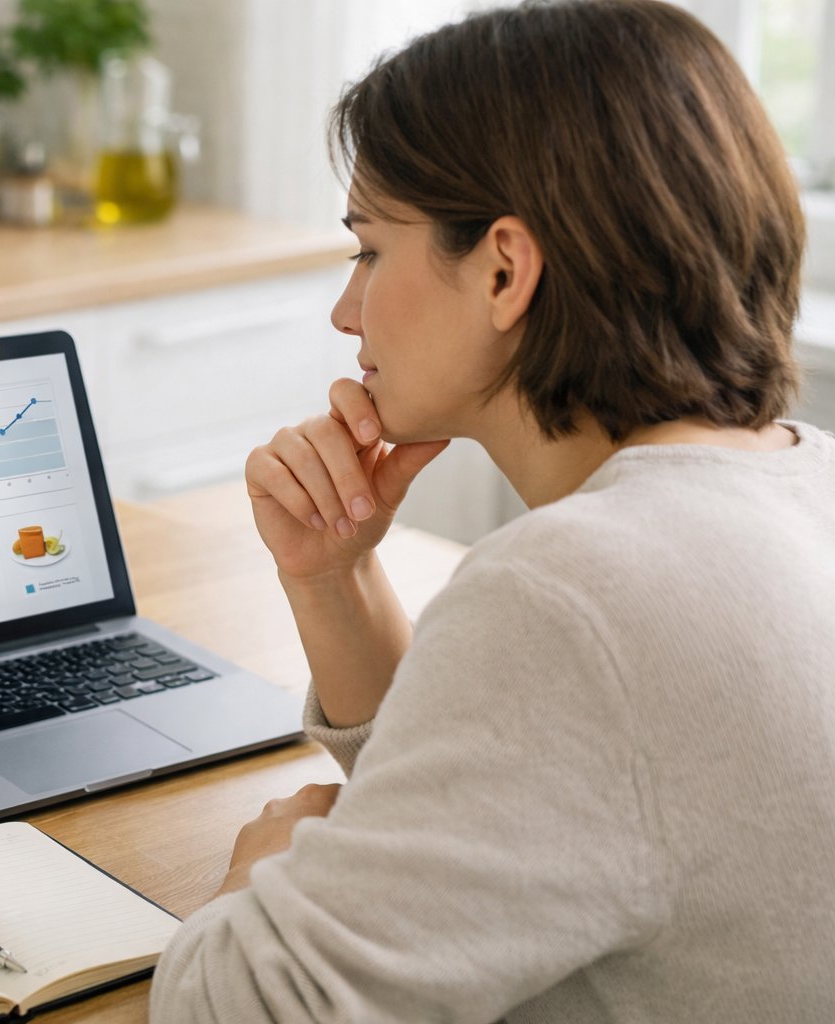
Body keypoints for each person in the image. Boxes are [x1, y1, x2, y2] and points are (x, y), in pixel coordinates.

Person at [148, 1, 835, 1020]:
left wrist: (264, 867)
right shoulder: (800, 480)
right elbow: (507, 825)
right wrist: (335, 576)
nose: (347, 310)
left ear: (506, 270)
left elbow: (239, 1007)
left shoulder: (576, 591)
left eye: (371, 250)